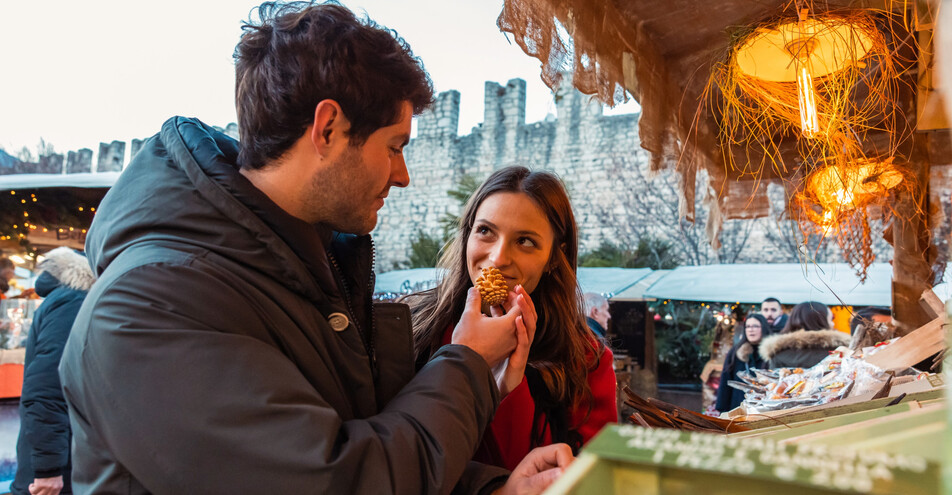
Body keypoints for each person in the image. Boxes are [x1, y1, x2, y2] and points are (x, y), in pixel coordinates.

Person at [58, 3, 570, 494]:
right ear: (328, 129)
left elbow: (359, 435)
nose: (403, 175)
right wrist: (469, 364)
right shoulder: (149, 306)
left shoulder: (307, 270)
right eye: (394, 147)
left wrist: (492, 489)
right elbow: (339, 480)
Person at [408, 166, 617, 471]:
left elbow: (592, 476)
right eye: (485, 231)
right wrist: (466, 361)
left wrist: (508, 388)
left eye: (525, 241)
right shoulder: (411, 329)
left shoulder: (586, 359)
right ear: (467, 235)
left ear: (552, 259)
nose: (498, 258)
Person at [12, 248, 95, 495]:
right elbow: (48, 387)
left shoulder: (72, 298)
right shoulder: (75, 300)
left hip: (66, 459)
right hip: (63, 467)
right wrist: (49, 469)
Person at [758, 301, 851, 369]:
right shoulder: (839, 353)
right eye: (831, 319)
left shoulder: (777, 353)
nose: (833, 324)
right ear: (821, 321)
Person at [715, 313, 768, 414]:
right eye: (748, 326)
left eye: (755, 326)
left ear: (764, 328)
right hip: (738, 408)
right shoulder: (736, 352)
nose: (751, 329)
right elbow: (725, 381)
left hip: (765, 410)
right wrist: (722, 409)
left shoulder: (772, 353)